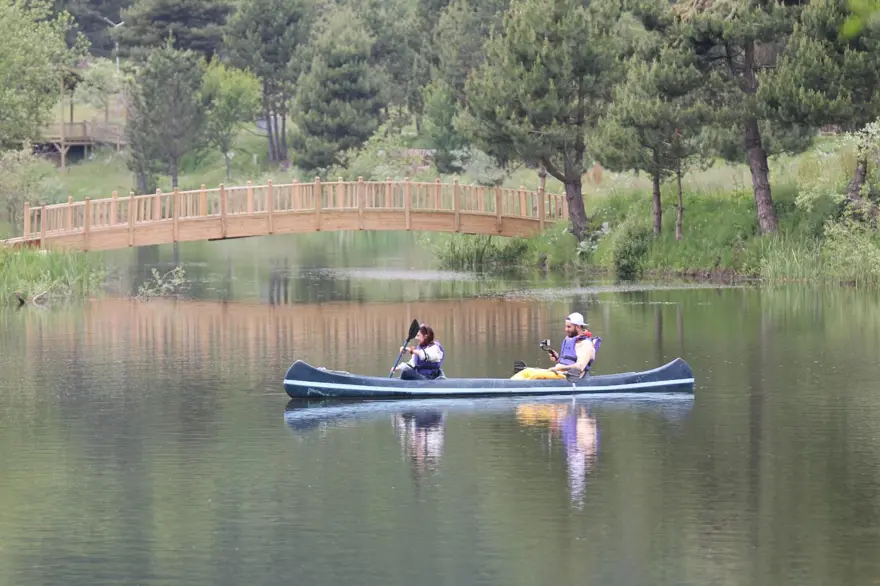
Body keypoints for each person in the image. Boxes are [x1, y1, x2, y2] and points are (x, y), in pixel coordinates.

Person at [511, 312, 595, 380]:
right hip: (559, 373)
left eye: (569, 327)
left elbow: (579, 367)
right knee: (527, 371)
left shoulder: (586, 344)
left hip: (569, 377)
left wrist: (558, 369)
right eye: (566, 326)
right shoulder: (570, 339)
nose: (565, 329)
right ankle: (510, 383)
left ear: (577, 327)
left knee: (536, 375)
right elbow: (568, 360)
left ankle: (516, 387)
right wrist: (558, 358)